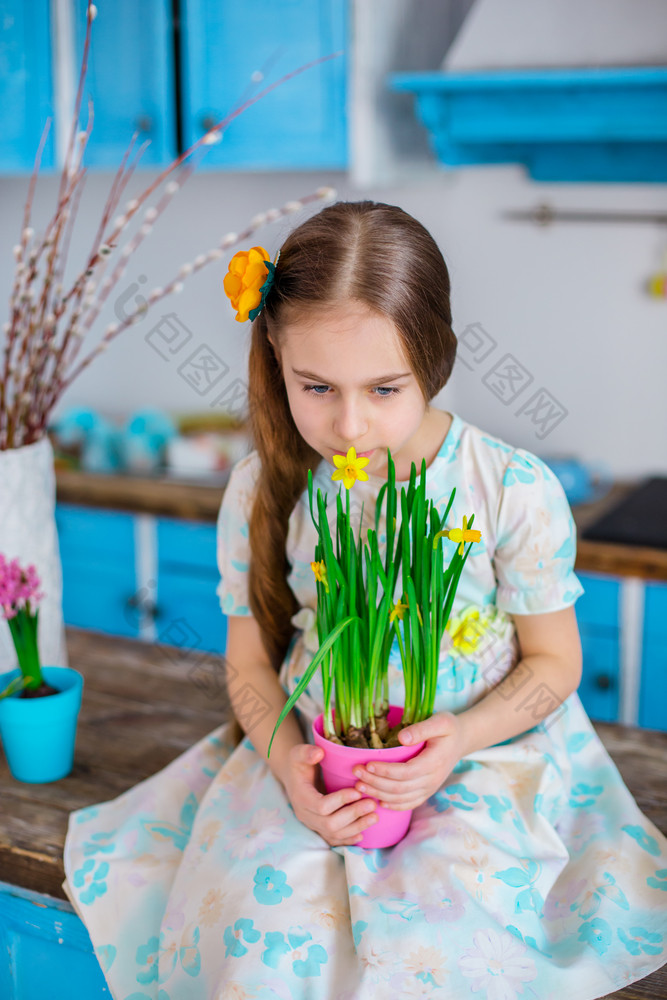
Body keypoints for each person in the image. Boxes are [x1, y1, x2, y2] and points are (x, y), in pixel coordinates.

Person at [63, 200, 667, 999]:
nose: (348, 425)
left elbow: (554, 662)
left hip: (480, 757)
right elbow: (247, 662)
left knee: (445, 945)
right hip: (312, 752)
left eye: (385, 388)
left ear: (436, 361)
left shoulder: (508, 487)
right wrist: (289, 770)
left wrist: (458, 738)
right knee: (261, 936)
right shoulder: (262, 489)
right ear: (274, 356)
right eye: (315, 387)